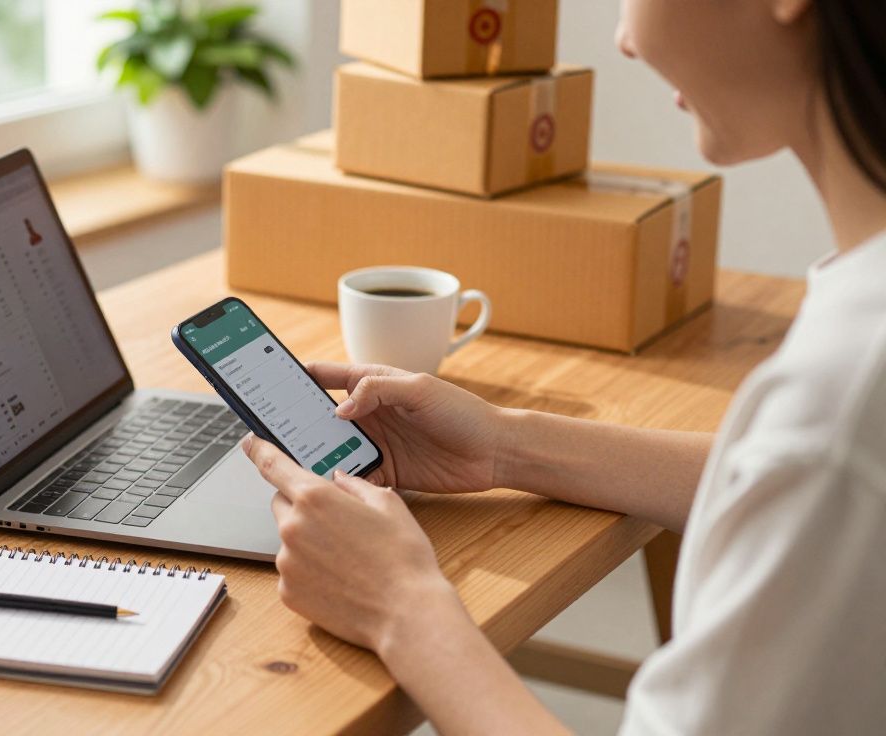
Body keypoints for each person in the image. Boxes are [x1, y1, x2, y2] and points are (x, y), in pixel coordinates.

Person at [241, 0, 886, 733]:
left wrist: (401, 608)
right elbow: (793, 482)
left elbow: (822, 463)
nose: (623, 38)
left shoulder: (844, 392)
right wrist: (505, 444)